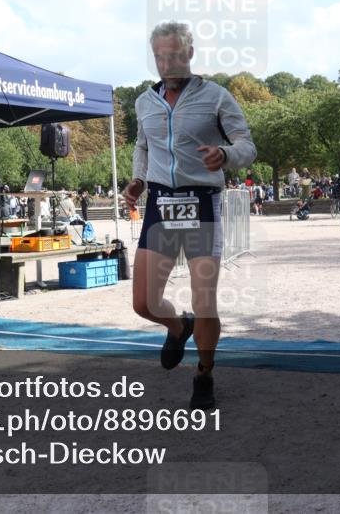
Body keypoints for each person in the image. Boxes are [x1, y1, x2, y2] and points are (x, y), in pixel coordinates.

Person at [123, 21, 256, 410]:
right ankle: (176, 326)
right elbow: (142, 146)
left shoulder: (216, 96)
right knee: (144, 303)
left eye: (175, 55)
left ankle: (204, 373)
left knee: (205, 301)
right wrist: (137, 179)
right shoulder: (144, 101)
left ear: (190, 53)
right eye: (160, 57)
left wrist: (226, 155)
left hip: (201, 201)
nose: (167, 64)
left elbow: (247, 145)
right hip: (161, 203)